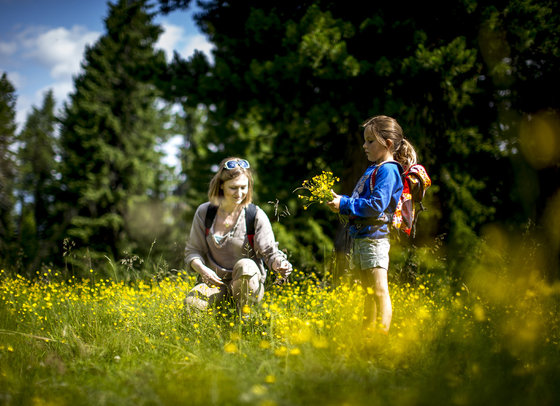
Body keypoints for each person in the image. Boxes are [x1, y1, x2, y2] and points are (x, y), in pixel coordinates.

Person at [327, 115, 417, 333]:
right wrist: (341, 202)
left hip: (375, 239)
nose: (364, 145)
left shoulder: (388, 170)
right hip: (363, 237)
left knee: (378, 291)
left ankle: (381, 339)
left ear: (386, 144)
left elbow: (376, 205)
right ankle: (367, 337)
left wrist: (345, 204)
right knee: (368, 292)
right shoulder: (376, 168)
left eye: (370, 141)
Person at [184, 157, 292, 313]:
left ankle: (245, 320)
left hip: (247, 284)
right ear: (221, 185)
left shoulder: (254, 215)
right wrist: (202, 270)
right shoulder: (204, 212)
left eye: (244, 187)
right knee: (192, 305)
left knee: (246, 265)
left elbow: (270, 253)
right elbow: (192, 251)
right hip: (214, 284)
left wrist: (279, 264)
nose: (240, 193)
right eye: (233, 188)